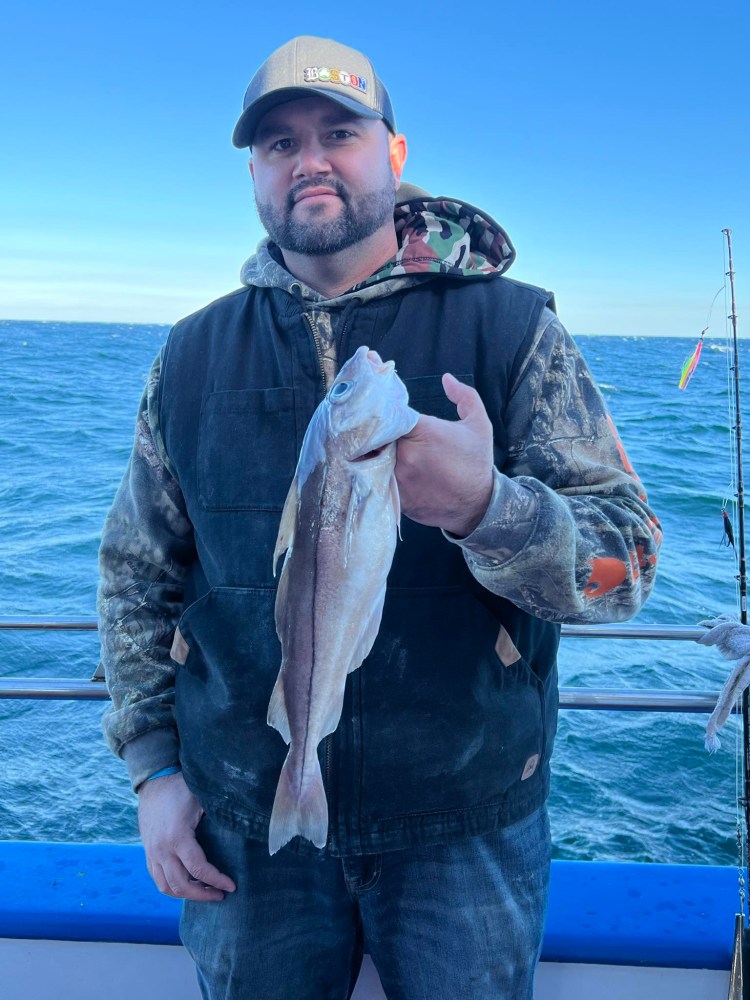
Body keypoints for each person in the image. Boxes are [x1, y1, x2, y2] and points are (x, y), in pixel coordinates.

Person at [98, 35, 661, 1000]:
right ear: (255, 173)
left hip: (467, 826)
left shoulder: (513, 327)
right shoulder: (188, 357)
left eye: (338, 132)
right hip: (245, 820)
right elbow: (136, 574)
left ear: (393, 155)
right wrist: (154, 771)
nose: (308, 159)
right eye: (278, 143)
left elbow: (629, 566)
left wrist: (490, 510)